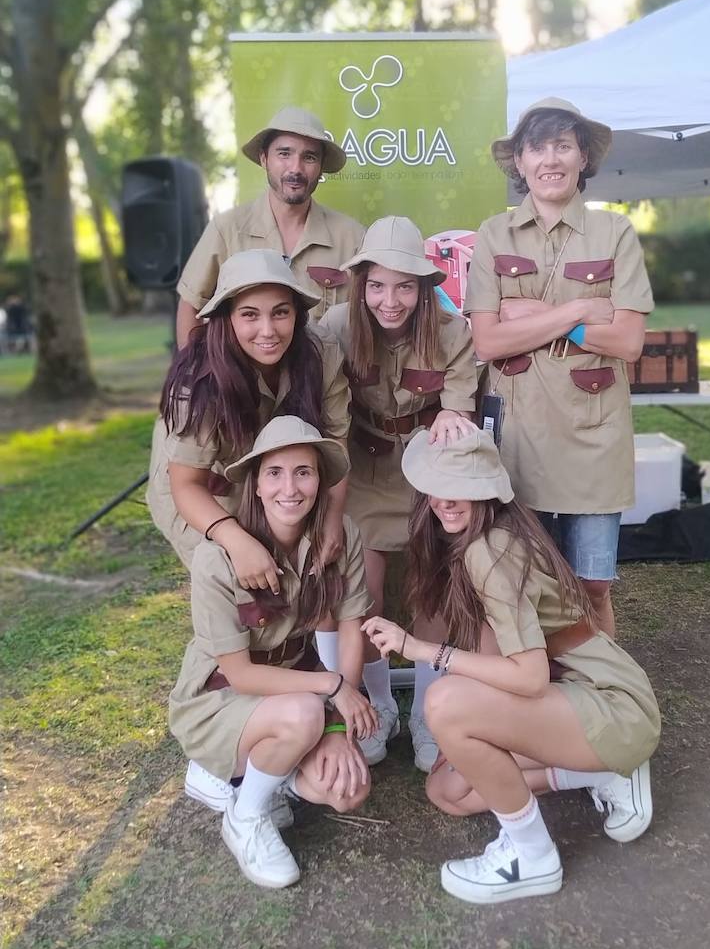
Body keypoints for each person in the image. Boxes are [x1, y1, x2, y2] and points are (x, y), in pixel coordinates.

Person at [363, 427, 660, 906]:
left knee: (444, 701)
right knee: (449, 790)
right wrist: (467, 727)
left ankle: (532, 857)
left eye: (463, 484)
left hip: (611, 704)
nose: (446, 500)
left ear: (488, 488)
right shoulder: (476, 544)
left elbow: (528, 677)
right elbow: (492, 656)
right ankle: (603, 773)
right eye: (438, 484)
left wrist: (423, 651)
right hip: (575, 703)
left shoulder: (491, 552)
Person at [464, 97, 653, 638]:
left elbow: (629, 341)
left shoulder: (614, 233)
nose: (551, 159)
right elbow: (489, 338)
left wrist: (543, 320)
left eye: (563, 145)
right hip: (518, 440)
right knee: (521, 581)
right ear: (520, 162)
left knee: (592, 585)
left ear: (583, 157)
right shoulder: (494, 235)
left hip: (594, 439)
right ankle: (535, 692)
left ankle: (607, 698)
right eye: (538, 146)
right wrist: (575, 311)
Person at [169, 417, 377, 889]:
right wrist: (333, 688)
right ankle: (246, 817)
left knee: (348, 790)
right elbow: (240, 676)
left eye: (303, 471)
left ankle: (251, 776)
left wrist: (340, 731)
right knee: (303, 715)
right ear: (257, 486)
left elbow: (350, 631)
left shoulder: (341, 537)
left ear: (320, 480)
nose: (290, 487)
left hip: (292, 689)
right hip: (220, 701)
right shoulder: (218, 557)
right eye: (275, 473)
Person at [320, 216, 478, 768]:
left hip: (425, 472)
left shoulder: (452, 332)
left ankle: (427, 709)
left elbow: (459, 409)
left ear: (425, 287)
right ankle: (382, 703)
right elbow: (327, 421)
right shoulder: (334, 328)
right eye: (379, 285)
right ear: (360, 283)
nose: (391, 300)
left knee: (432, 588)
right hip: (360, 472)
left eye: (405, 286)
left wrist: (452, 417)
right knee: (364, 593)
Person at [147, 249, 351, 591]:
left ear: (297, 315)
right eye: (250, 315)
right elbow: (186, 484)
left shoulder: (322, 351)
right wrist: (236, 540)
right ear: (227, 318)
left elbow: (336, 442)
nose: (268, 330)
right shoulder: (200, 380)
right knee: (240, 588)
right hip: (208, 490)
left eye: (280, 313)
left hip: (277, 481)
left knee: (307, 578)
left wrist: (331, 518)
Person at [175, 106, 364, 346]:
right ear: (264, 159)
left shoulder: (352, 237)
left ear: (321, 166)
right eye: (284, 154)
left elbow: (371, 318)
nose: (295, 168)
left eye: (309, 157)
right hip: (244, 382)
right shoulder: (227, 229)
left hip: (327, 380)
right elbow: (191, 304)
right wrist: (190, 376)